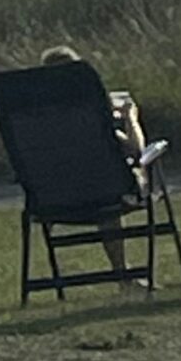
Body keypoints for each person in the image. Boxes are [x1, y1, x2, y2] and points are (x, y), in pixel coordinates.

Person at [42, 45, 143, 278]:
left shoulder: (37, 122)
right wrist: (130, 118)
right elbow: (136, 150)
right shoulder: (93, 117)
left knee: (102, 184)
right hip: (103, 196)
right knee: (107, 189)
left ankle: (59, 281)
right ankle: (121, 273)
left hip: (51, 200)